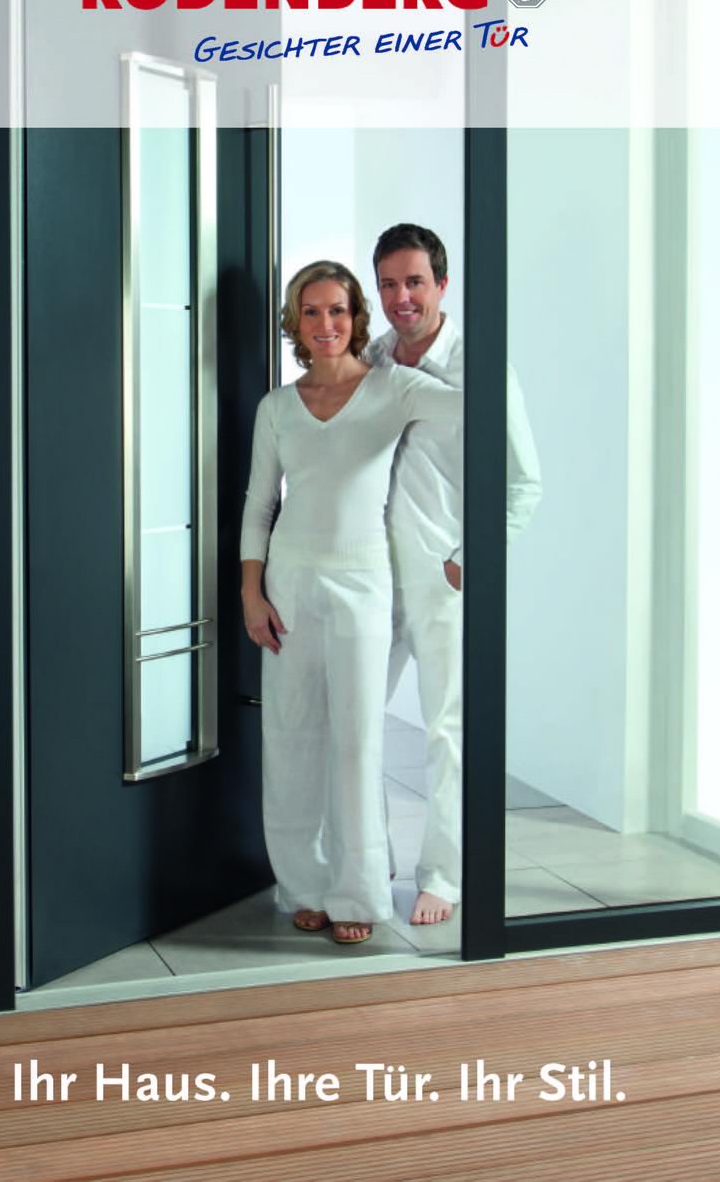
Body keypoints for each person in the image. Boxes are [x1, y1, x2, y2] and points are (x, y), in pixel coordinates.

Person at [240, 259, 461, 945]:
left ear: (355, 317)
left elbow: (474, 409)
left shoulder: (394, 388)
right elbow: (259, 504)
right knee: (290, 737)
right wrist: (250, 591)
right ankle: (303, 886)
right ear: (296, 322)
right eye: (312, 311)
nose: (326, 323)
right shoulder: (277, 407)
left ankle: (356, 893)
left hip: (364, 583)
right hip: (288, 584)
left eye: (337, 310)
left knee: (357, 741)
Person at [367, 223, 542, 925]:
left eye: (414, 281)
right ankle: (367, 862)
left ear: (442, 284)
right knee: (355, 723)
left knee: (445, 728)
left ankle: (442, 875)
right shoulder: (372, 358)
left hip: (442, 577)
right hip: (369, 575)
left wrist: (467, 560)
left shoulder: (481, 366)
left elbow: (523, 482)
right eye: (388, 284)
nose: (401, 297)